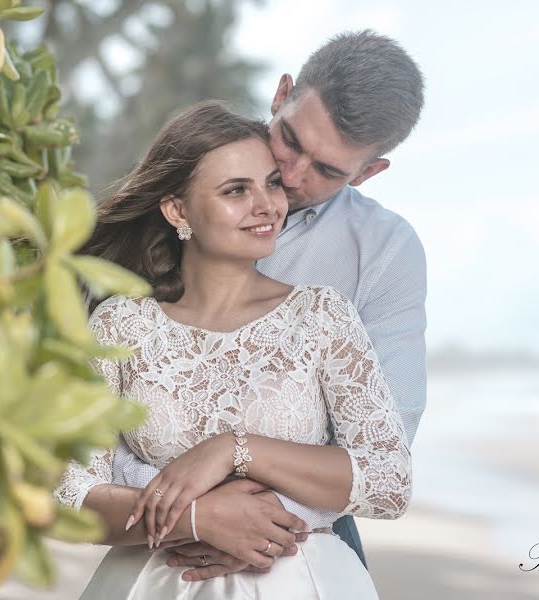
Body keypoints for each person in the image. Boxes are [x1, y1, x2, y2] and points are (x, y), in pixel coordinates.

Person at [53, 100, 411, 599]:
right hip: (156, 583)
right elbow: (68, 497)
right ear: (178, 210)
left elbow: (389, 481)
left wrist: (234, 451)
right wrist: (198, 518)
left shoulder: (322, 316)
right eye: (235, 191)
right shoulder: (121, 324)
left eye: (270, 183)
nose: (266, 206)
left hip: (301, 582)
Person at [109, 29, 427, 581]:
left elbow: (386, 436)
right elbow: (103, 410)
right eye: (291, 140)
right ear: (281, 96)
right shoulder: (187, 185)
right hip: (154, 515)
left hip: (309, 522)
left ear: (368, 172)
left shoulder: (385, 250)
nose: (294, 177)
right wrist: (196, 515)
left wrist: (267, 522)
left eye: (328, 170)